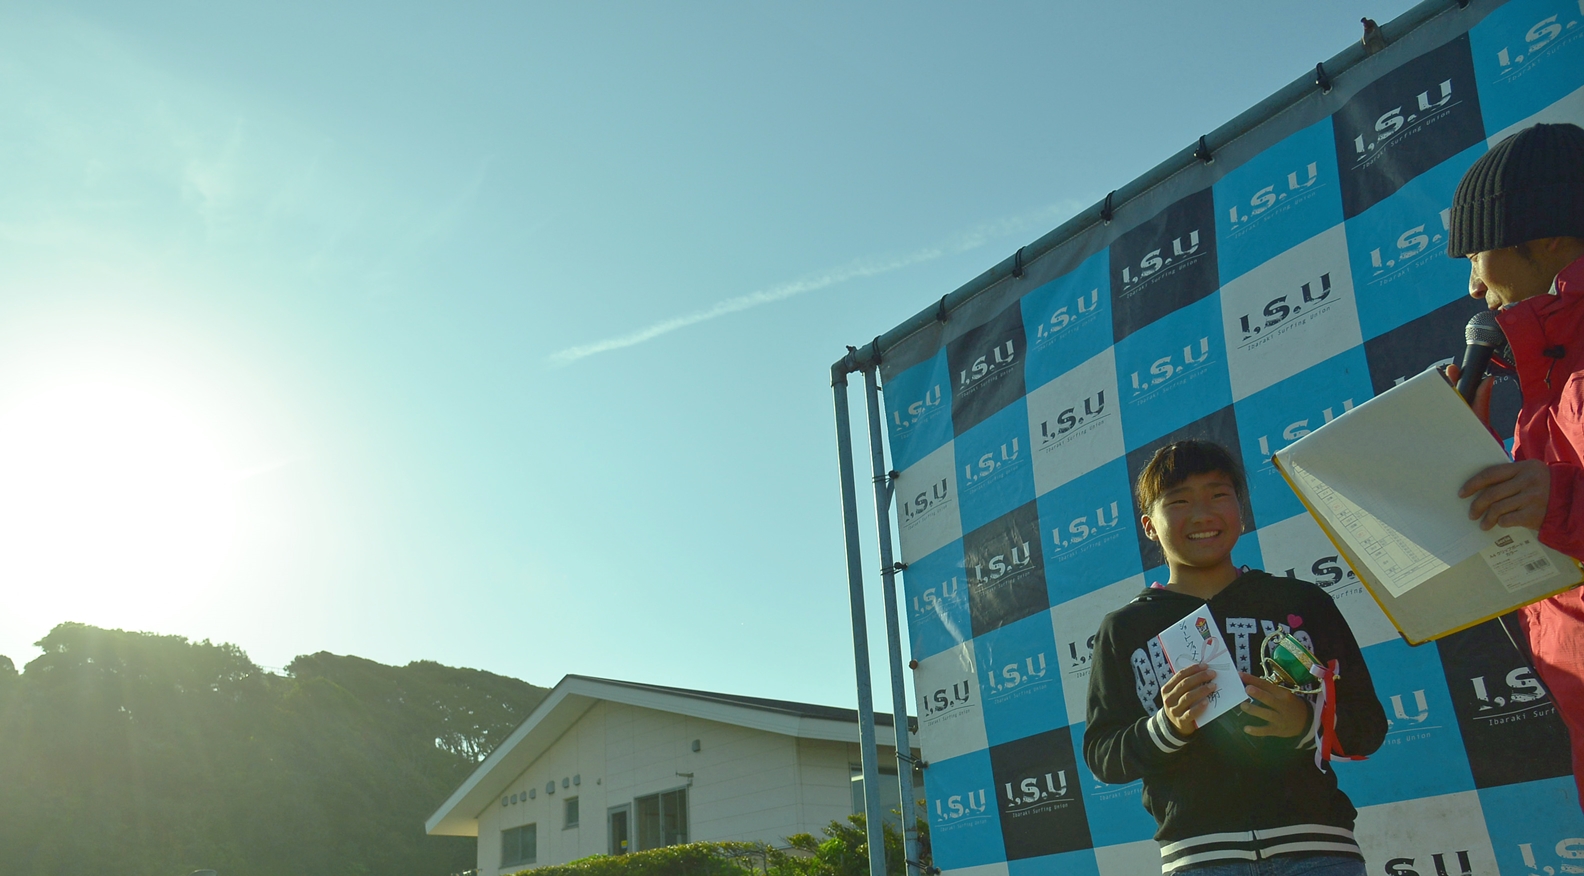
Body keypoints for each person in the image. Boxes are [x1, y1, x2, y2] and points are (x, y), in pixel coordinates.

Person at [1084, 441, 1386, 876]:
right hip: (1200, 859)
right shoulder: (1124, 628)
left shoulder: (1302, 602)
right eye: (1179, 501)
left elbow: (1369, 726)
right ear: (1149, 526)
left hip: (1319, 850)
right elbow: (1102, 755)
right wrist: (1169, 726)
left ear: (1241, 513)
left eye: (1218, 495)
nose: (1202, 514)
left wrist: (1304, 722)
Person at [1445, 121, 1584, 810]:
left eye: (1477, 252)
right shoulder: (1542, 382)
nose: (1474, 285)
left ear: (1550, 235)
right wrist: (1460, 458)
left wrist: (1556, 501)